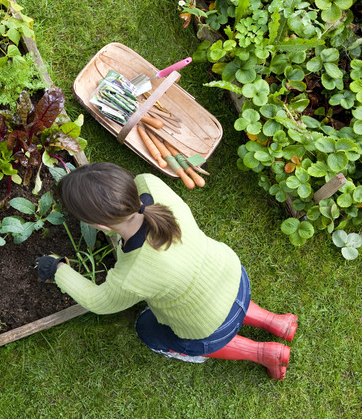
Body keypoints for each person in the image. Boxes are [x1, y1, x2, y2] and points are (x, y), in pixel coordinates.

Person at [35, 162, 298, 379]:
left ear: (100, 225)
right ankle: (276, 322)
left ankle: (263, 353)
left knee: (147, 329)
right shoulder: (150, 184)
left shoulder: (132, 275)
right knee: (217, 298)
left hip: (208, 326)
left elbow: (98, 301)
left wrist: (57, 269)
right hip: (233, 276)